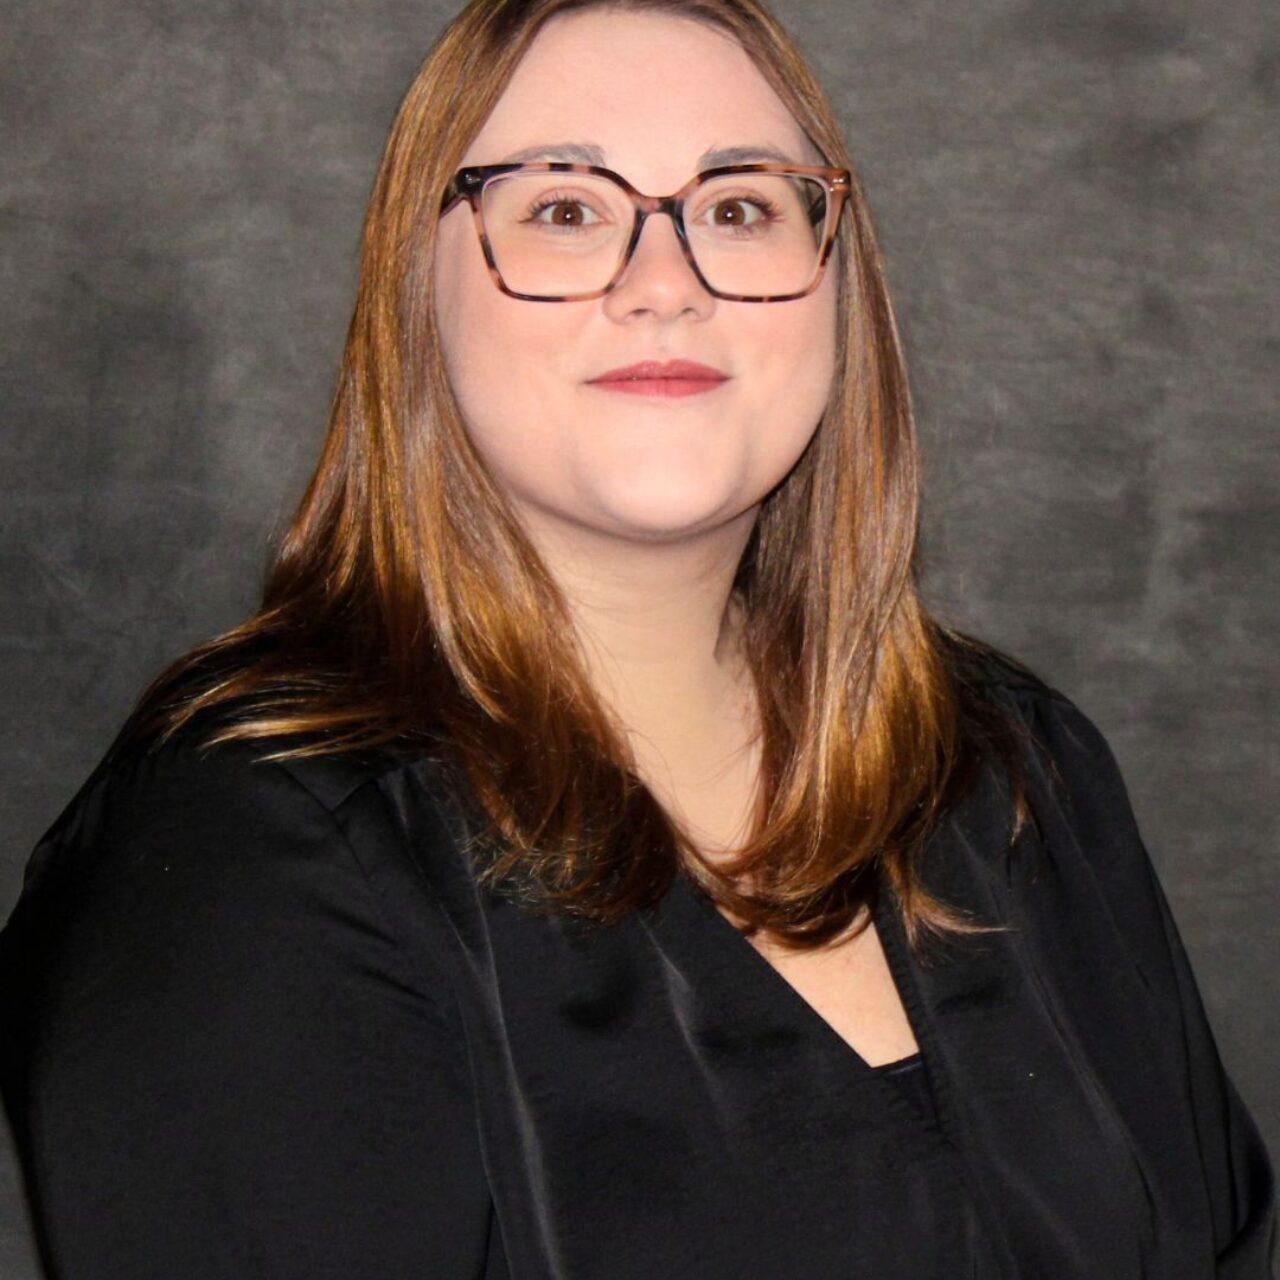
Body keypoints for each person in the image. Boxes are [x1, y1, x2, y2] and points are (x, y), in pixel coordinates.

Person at [1, 0, 1274, 1276]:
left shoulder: (1012, 768)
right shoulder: (247, 856)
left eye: (739, 206)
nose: (664, 283)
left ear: (838, 283)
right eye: (562, 208)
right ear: (412, 294)